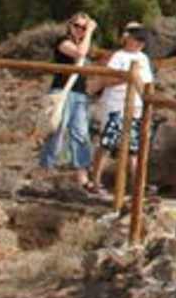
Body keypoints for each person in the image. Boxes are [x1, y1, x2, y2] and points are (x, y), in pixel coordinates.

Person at [91, 22, 155, 196]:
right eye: (137, 40)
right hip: (116, 104)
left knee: (133, 147)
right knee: (107, 143)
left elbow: (147, 83)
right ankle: (95, 180)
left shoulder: (143, 59)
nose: (139, 44)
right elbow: (106, 80)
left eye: (142, 41)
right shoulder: (118, 57)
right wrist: (128, 77)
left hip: (136, 106)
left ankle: (138, 184)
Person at [39, 12, 97, 194]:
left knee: (81, 134)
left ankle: (83, 177)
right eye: (77, 26)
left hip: (79, 93)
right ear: (69, 25)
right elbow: (79, 53)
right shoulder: (62, 41)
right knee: (57, 131)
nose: (80, 30)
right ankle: (46, 171)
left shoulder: (85, 43)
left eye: (84, 27)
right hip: (62, 91)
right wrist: (90, 32)